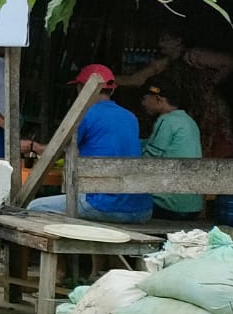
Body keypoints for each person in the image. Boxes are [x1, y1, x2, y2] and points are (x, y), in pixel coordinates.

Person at [22, 65, 149, 223]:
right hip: (141, 209)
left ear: (83, 88)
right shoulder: (130, 117)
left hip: (104, 205)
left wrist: (31, 146)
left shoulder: (84, 114)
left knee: (34, 207)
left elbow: (55, 152)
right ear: (113, 90)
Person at [116, 29, 233, 158]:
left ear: (178, 41)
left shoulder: (195, 56)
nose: (160, 44)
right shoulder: (165, 63)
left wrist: (211, 83)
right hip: (192, 109)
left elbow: (232, 62)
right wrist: (102, 78)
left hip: (210, 110)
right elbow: (136, 79)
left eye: (164, 40)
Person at [140, 79, 204, 220]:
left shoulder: (166, 121)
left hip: (170, 205)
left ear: (159, 99)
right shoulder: (188, 121)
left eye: (145, 99)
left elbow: (149, 160)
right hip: (193, 207)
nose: (143, 104)